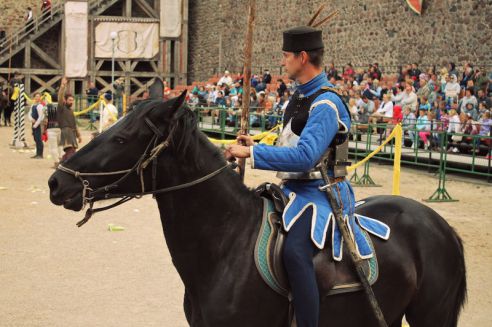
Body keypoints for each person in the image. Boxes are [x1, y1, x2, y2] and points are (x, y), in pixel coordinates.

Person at [225, 26, 388, 327]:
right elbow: (292, 143)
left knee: (295, 252)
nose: (282, 61)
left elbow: (306, 156)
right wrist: (257, 145)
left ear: (302, 57)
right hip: (292, 190)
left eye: (286, 55)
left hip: (322, 193)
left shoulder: (326, 103)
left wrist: (255, 155)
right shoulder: (299, 97)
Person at [57, 77, 81, 161]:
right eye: (70, 100)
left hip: (72, 133)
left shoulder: (71, 111)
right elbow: (60, 97)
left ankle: (61, 164)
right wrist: (63, 86)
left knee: (71, 151)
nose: (71, 102)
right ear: (65, 100)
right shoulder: (61, 108)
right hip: (66, 132)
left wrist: (79, 135)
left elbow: (74, 124)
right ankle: (66, 166)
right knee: (71, 152)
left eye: (72, 100)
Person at [45, 101, 62, 168]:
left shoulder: (47, 107)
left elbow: (44, 119)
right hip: (60, 127)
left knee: (53, 147)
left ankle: (56, 162)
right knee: (60, 145)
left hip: (51, 128)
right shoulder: (62, 106)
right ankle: (61, 159)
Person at [29, 92, 45, 158]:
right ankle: (37, 153)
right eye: (36, 96)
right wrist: (31, 119)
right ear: (34, 97)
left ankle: (40, 154)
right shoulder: (33, 105)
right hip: (33, 123)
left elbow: (41, 116)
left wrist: (35, 125)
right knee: (35, 139)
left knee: (39, 139)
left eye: (38, 96)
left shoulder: (40, 106)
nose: (37, 98)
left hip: (38, 124)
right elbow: (29, 114)